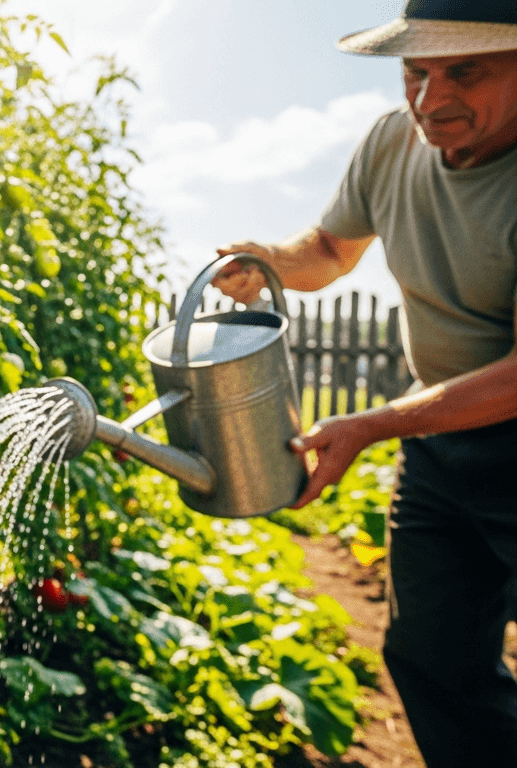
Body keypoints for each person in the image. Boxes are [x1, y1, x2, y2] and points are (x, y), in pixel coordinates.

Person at [210, 1, 517, 764]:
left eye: (466, 72)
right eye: (416, 72)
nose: (430, 101)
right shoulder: (391, 142)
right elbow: (328, 249)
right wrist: (271, 261)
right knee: (432, 655)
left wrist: (375, 424)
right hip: (444, 450)